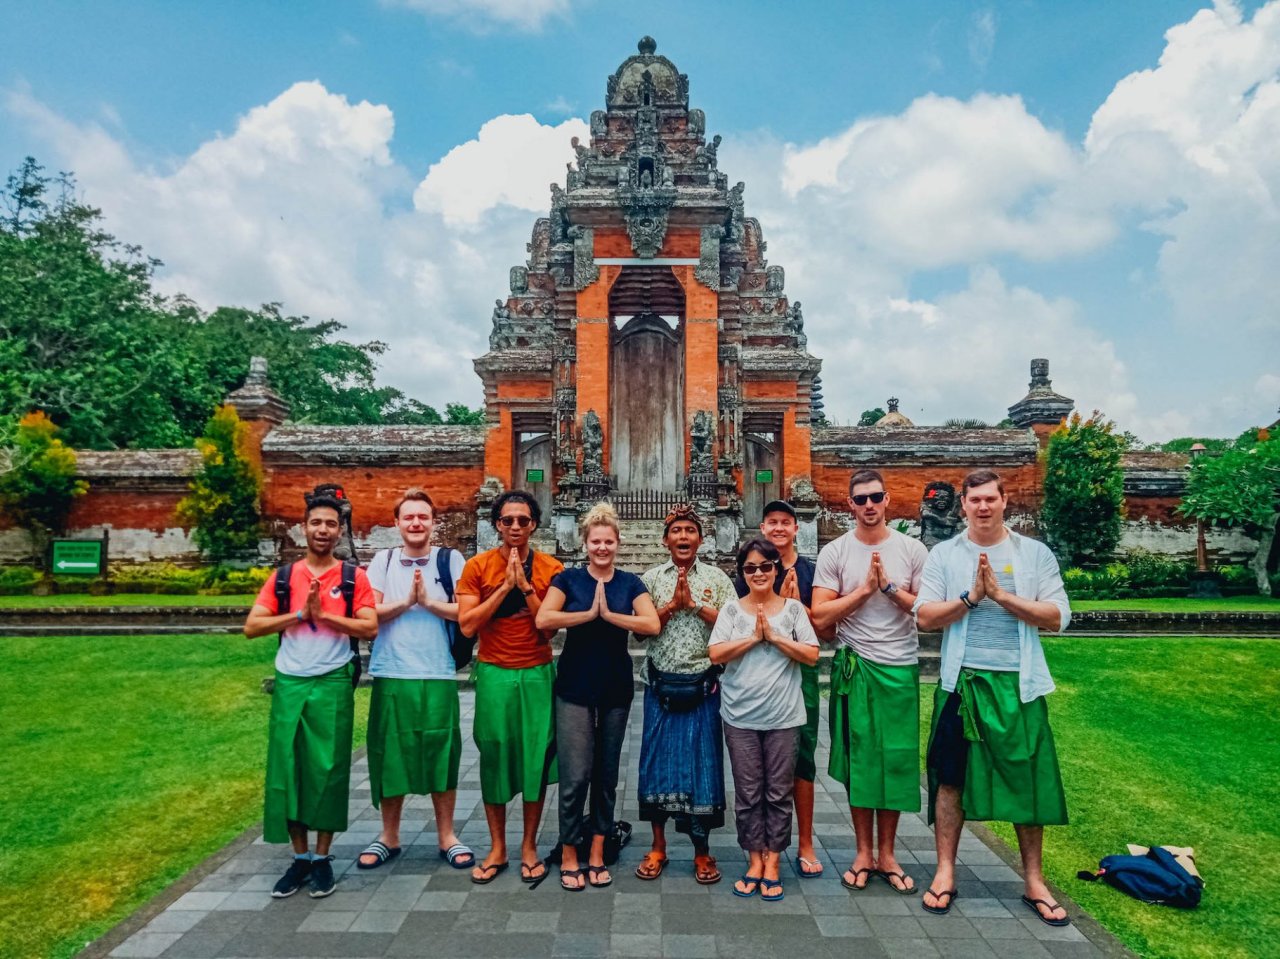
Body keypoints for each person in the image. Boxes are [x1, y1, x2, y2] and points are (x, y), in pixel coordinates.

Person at [915, 469, 1072, 926]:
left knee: (1027, 777)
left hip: (1017, 681)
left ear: (1006, 502)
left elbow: (1058, 615)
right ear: (962, 505)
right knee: (950, 780)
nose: (982, 507)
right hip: (961, 681)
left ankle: (1034, 879)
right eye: (974, 500)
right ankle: (945, 870)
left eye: (990, 499)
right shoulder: (944, 555)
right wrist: (969, 598)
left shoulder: (1033, 554)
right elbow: (925, 616)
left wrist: (1001, 596)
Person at [244, 492, 377, 899]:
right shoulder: (285, 578)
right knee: (289, 768)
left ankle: (322, 857)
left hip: (333, 681)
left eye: (330, 524)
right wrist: (300, 615)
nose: (323, 530)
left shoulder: (353, 578)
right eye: (316, 523)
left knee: (329, 770)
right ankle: (298, 856)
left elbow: (369, 627)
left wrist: (326, 616)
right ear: (305, 527)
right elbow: (253, 625)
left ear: (339, 531)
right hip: (291, 681)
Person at [812, 469, 929, 893]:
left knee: (896, 760)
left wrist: (891, 589)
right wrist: (864, 590)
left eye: (875, 497)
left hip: (899, 665)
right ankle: (864, 852)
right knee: (861, 762)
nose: (868, 506)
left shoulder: (912, 550)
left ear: (888, 499)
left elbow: (928, 612)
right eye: (860, 499)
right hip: (856, 665)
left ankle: (889, 853)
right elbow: (820, 618)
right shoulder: (836, 552)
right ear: (849, 504)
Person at [535, 502, 660, 891]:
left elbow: (650, 623)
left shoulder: (629, 583)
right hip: (574, 685)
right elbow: (544, 619)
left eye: (608, 541)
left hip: (614, 687)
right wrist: (587, 614)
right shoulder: (568, 580)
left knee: (606, 775)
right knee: (575, 775)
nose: (602, 548)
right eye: (596, 542)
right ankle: (570, 850)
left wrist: (611, 616)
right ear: (585, 543)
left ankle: (597, 850)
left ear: (617, 543)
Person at [358, 488, 473, 872]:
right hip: (392, 670)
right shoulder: (383, 561)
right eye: (408, 517)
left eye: (423, 516)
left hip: (437, 670)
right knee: (390, 753)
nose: (416, 523)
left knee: (442, 751)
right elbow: (369, 614)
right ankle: (389, 835)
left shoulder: (450, 559)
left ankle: (447, 835)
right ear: (397, 523)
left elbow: (465, 613)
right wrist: (407, 601)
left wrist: (427, 602)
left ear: (433, 522)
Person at [456, 490, 564, 884]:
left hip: (536, 671)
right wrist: (504, 587)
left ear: (534, 524)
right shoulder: (477, 567)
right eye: (507, 521)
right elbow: (468, 626)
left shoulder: (551, 568)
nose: (515, 527)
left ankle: (529, 846)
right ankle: (498, 846)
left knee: (535, 758)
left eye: (523, 520)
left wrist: (527, 588)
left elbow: (551, 627)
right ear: (497, 524)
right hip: (495, 672)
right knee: (495, 756)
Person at [711, 539, 821, 902]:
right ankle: (753, 857)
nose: (758, 573)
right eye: (750, 568)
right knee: (747, 792)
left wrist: (773, 637)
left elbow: (811, 654)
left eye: (765, 566)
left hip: (784, 716)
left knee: (777, 791)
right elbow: (716, 653)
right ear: (741, 573)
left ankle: (773, 859)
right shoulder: (731, 611)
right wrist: (752, 638)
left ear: (776, 568)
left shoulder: (793, 611)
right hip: (740, 715)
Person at [634, 504, 735, 886]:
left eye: (690, 531)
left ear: (701, 539)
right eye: (676, 530)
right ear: (665, 540)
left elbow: (732, 626)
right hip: (660, 684)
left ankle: (702, 850)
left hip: (703, 685)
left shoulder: (717, 579)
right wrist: (671, 606)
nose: (682, 537)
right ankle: (658, 846)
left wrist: (695, 606)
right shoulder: (649, 579)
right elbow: (641, 632)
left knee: (702, 768)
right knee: (655, 765)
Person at [732, 500, 825, 878]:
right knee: (755, 771)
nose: (779, 528)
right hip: (755, 679)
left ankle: (804, 842)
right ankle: (760, 848)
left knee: (801, 758)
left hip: (798, 675)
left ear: (795, 528)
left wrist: (796, 603)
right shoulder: (750, 570)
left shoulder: (809, 570)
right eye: (772, 522)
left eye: (786, 522)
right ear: (763, 526)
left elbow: (820, 631)